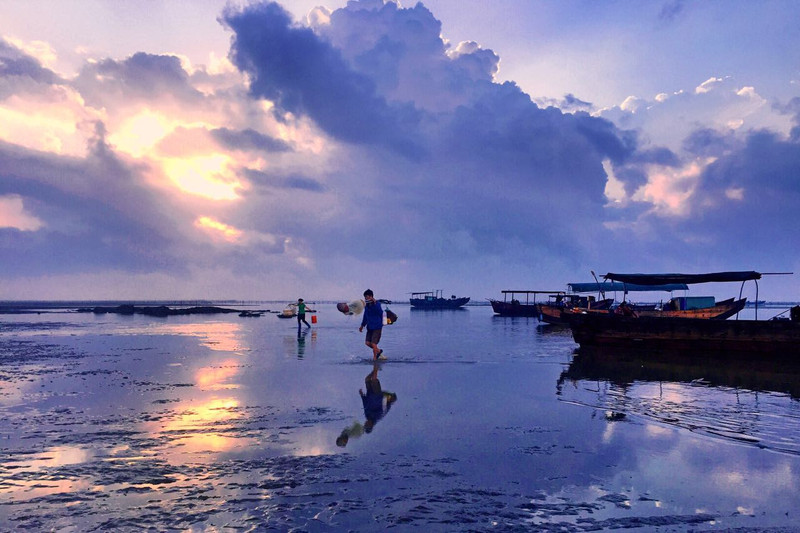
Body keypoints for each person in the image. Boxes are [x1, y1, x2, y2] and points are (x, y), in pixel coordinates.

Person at [359, 289, 384, 360]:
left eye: (367, 296)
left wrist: (375, 303)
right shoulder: (367, 306)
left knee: (373, 343)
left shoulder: (377, 304)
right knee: (367, 343)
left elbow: (380, 312)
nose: (366, 298)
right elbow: (365, 316)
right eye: (365, 297)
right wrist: (362, 325)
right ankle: (379, 351)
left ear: (371, 296)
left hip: (377, 326)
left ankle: (375, 358)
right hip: (370, 327)